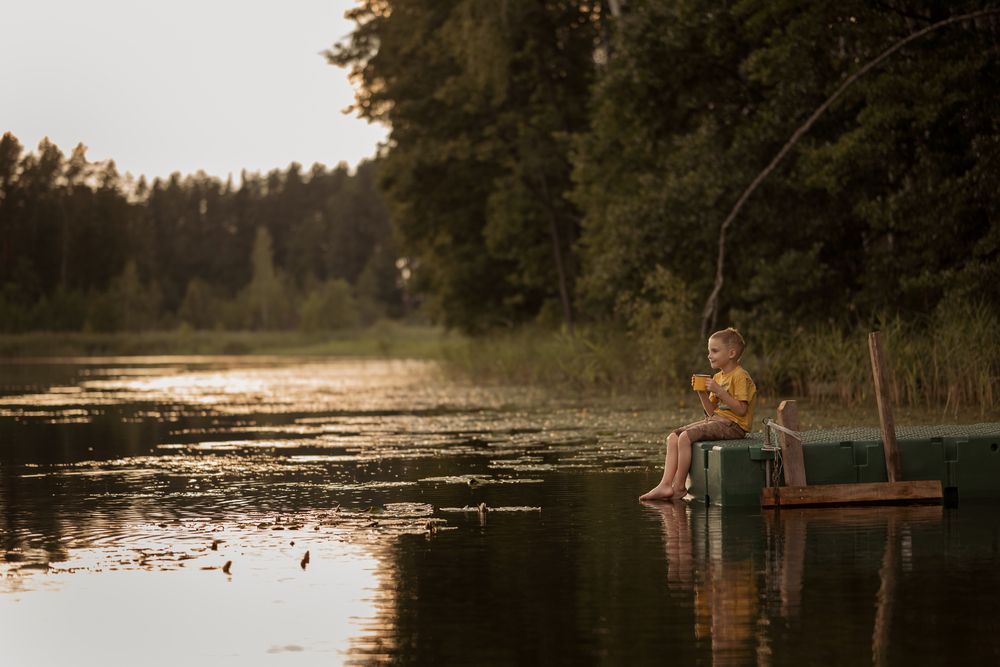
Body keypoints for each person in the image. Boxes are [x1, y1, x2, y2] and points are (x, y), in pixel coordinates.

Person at [640, 327, 756, 501]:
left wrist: (719, 391)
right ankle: (665, 485)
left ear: (731, 353)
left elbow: (741, 410)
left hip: (735, 426)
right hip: (718, 421)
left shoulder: (740, 376)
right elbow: (711, 413)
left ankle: (679, 487)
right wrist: (701, 392)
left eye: (714, 351)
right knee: (673, 437)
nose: (709, 355)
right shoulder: (717, 377)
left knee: (685, 437)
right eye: (709, 351)